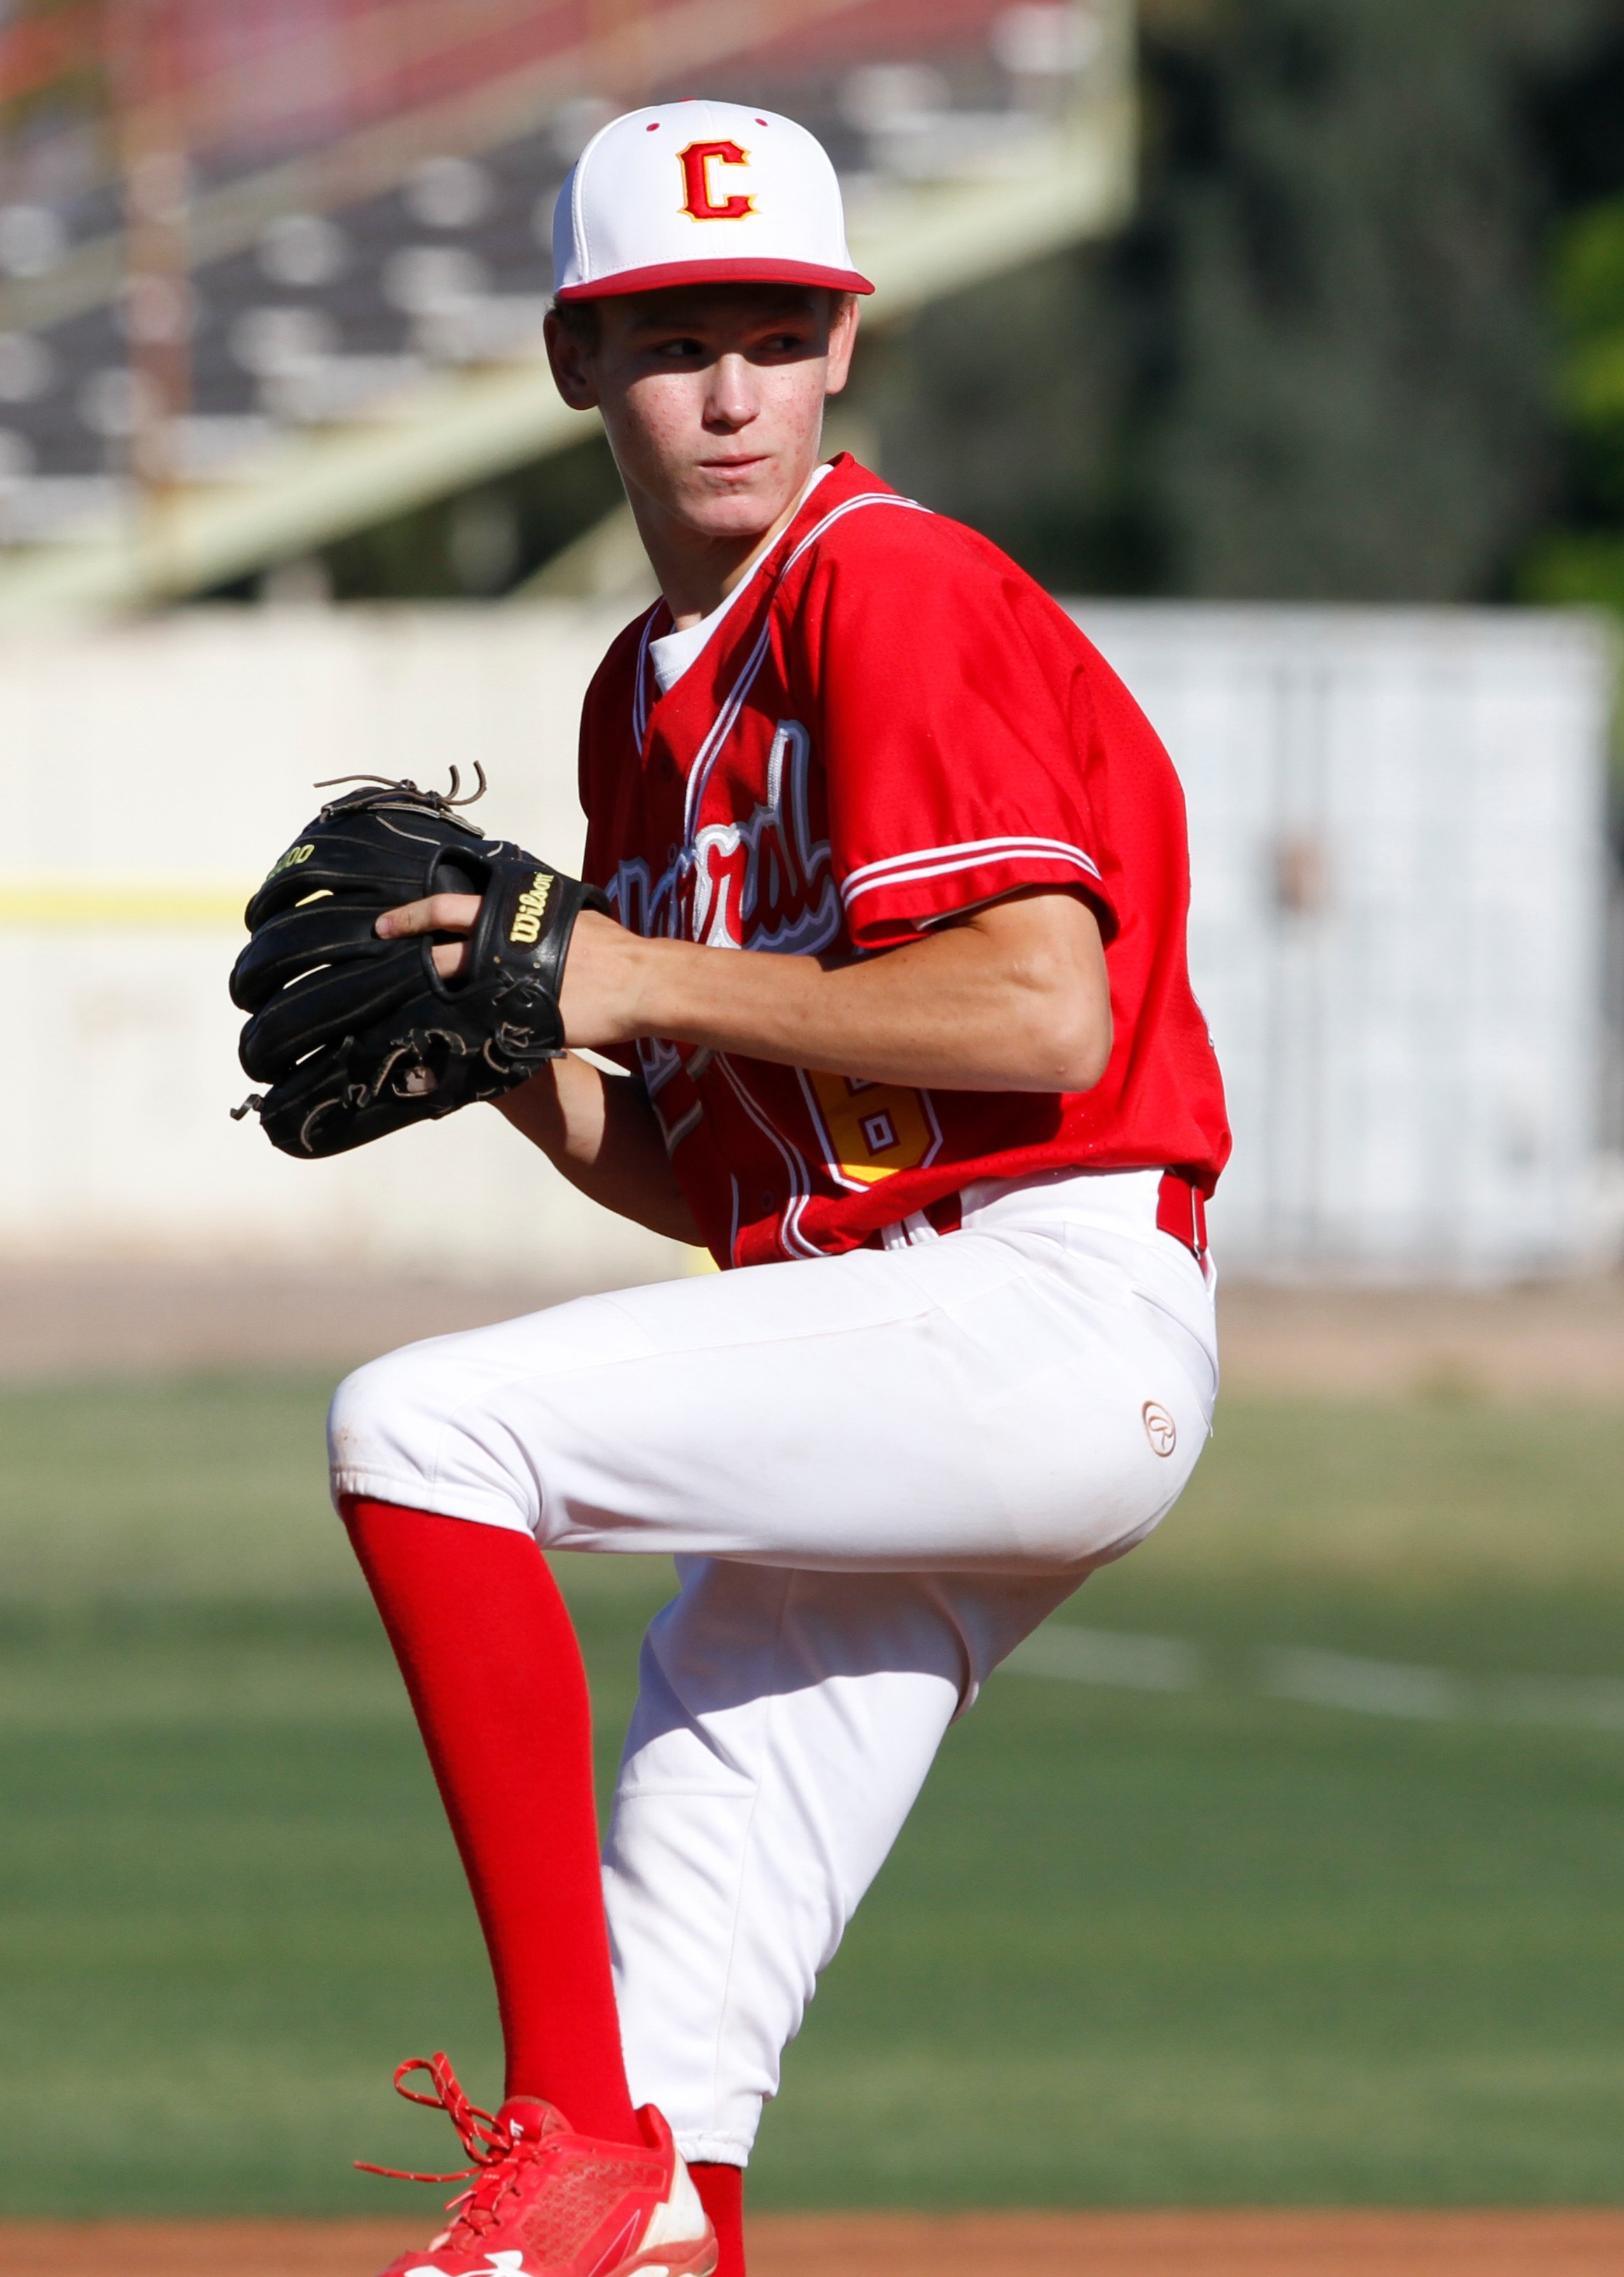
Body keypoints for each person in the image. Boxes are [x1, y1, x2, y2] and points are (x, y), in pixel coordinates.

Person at [328, 97, 1230, 2277]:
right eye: (667, 339)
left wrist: (614, 962)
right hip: (898, 1343)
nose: (727, 388)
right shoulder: (637, 711)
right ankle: (621, 2167)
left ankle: (556, 2124)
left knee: (423, 1428)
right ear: (575, 368)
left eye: (772, 329)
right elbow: (730, 1188)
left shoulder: (884, 585)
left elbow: (1037, 1011)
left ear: (846, 347)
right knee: (672, 2082)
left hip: (1045, 1297)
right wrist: (513, 1061)